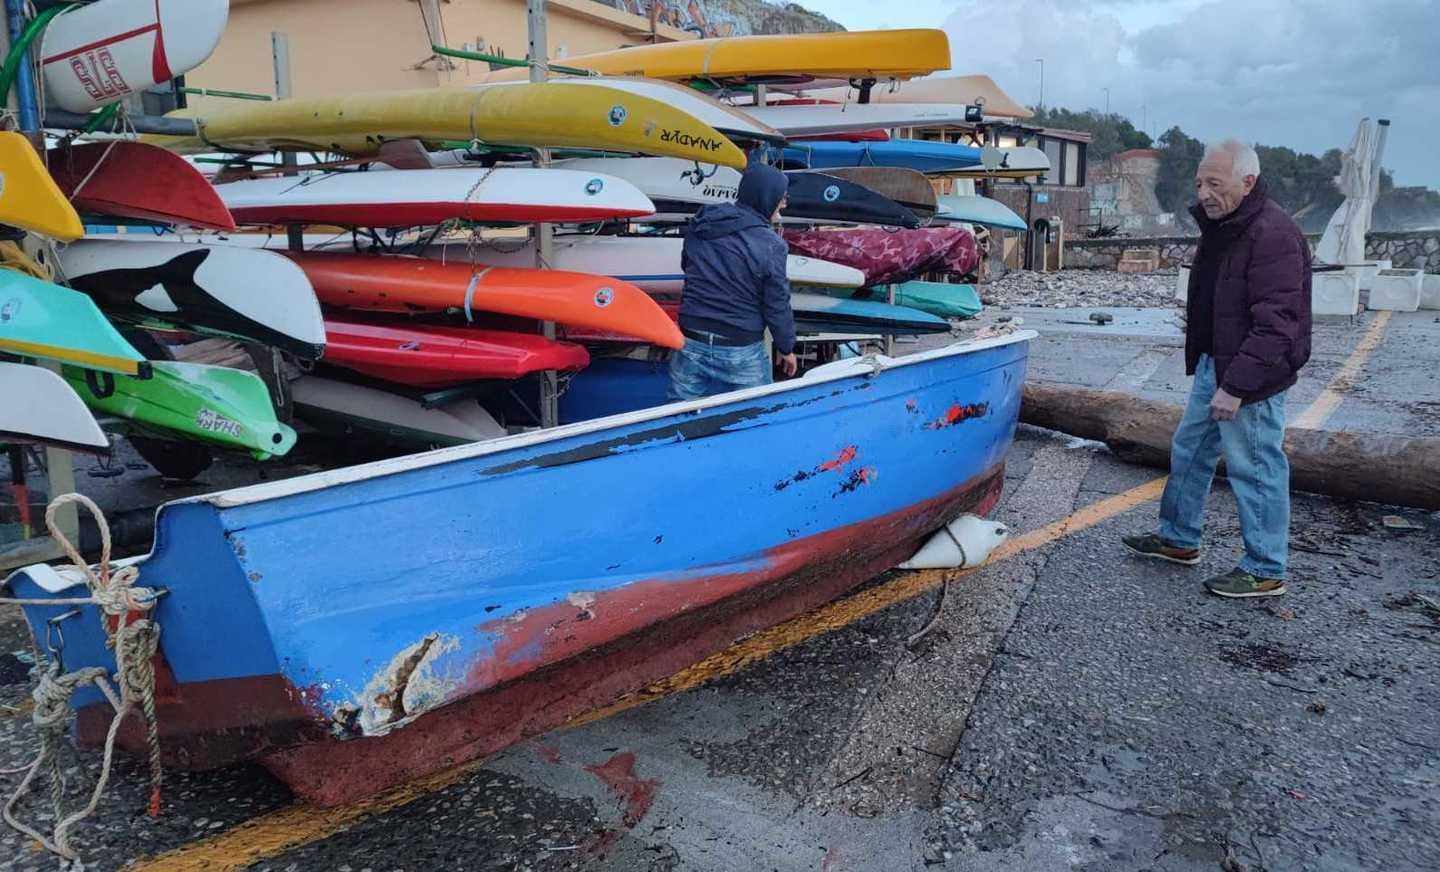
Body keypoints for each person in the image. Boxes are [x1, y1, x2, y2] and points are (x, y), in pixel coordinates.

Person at [1123, 139, 1312, 598]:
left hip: (1251, 376)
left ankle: (1265, 568)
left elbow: (1277, 324)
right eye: (1199, 183)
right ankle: (1178, 539)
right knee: (1190, 451)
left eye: (1214, 183)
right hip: (1217, 364)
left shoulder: (1273, 234)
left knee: (1257, 466)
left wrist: (1236, 387)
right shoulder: (1226, 226)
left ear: (1247, 183)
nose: (1203, 193)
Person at [668, 161, 797, 400]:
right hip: (739, 344)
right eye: (782, 197)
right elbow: (777, 303)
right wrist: (786, 347)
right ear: (766, 197)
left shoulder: (702, 223)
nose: (784, 203)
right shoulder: (771, 245)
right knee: (757, 414)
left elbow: (688, 266)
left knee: (678, 415)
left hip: (690, 336)